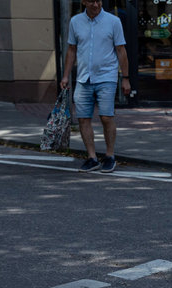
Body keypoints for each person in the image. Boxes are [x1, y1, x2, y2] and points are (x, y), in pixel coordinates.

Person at [60, 0, 132, 173]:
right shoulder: (75, 22)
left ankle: (110, 155)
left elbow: (121, 50)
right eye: (91, 1)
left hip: (107, 77)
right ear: (83, 1)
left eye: (98, 0)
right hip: (84, 79)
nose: (96, 4)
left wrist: (126, 78)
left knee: (106, 117)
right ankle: (92, 158)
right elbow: (71, 50)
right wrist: (65, 76)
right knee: (83, 118)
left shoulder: (113, 21)